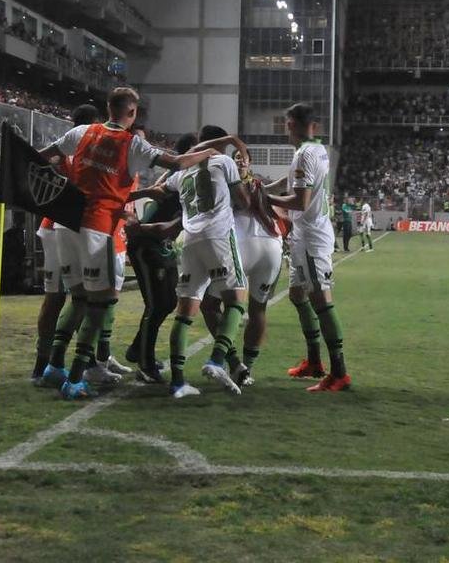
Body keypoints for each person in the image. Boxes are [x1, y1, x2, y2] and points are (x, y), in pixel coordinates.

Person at [40, 87, 228, 400]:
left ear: (108, 108)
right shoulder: (131, 143)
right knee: (99, 304)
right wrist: (209, 152)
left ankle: (54, 365)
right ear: (133, 113)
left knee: (78, 298)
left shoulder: (82, 132)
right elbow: (178, 162)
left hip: (64, 225)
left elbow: (45, 156)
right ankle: (75, 379)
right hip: (96, 228)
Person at [140, 125, 250, 398]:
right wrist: (244, 175)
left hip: (190, 242)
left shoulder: (181, 173)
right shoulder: (224, 161)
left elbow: (158, 190)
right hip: (219, 237)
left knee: (185, 312)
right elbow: (244, 202)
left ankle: (177, 382)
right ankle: (216, 360)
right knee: (236, 300)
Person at [268, 103, 351, 392]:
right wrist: (267, 188)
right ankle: (315, 361)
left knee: (321, 300)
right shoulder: (316, 149)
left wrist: (267, 201)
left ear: (291, 124)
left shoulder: (305, 155)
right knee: (296, 294)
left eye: (287, 124)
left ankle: (339, 372)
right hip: (304, 235)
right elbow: (291, 181)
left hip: (312, 236)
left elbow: (300, 202)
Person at [201, 147, 288, 387]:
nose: (239, 160)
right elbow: (280, 204)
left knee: (210, 305)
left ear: (248, 163)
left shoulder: (224, 181)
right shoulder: (259, 185)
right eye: (236, 157)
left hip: (240, 245)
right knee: (258, 309)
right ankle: (245, 369)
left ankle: (235, 363)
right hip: (272, 246)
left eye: (242, 157)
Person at [31, 103, 99, 385]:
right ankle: (62, 363)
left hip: (51, 226)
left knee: (56, 297)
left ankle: (43, 364)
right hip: (71, 227)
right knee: (86, 296)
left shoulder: (59, 151)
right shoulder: (83, 151)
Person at [122, 132, 197, 384]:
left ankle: (137, 350)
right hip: (146, 244)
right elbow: (167, 226)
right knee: (156, 305)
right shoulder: (183, 179)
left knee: (166, 302)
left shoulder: (185, 178)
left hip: (158, 243)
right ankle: (144, 363)